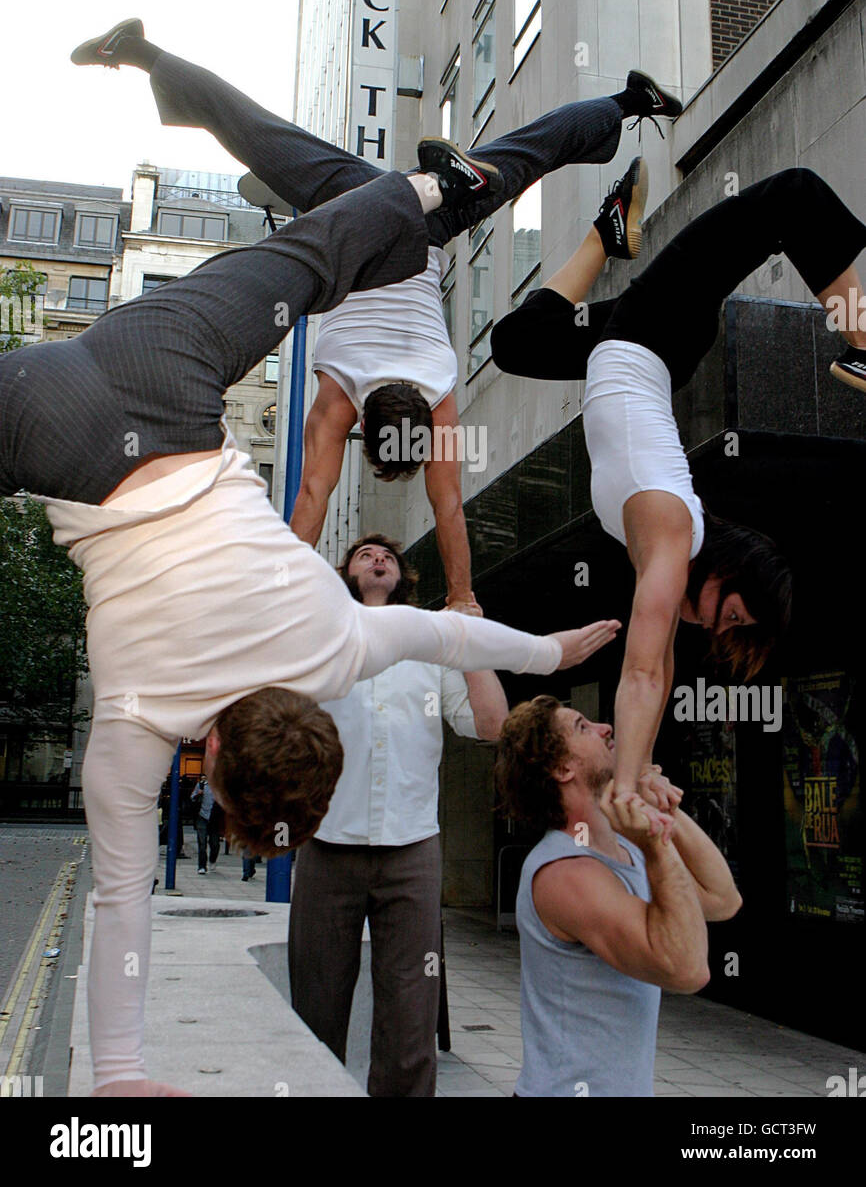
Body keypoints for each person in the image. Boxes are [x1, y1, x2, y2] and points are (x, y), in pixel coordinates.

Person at [0, 29, 620, 1097]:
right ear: (216, 760)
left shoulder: (332, 643)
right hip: (55, 428)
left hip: (173, 374)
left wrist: (550, 645)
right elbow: (119, 901)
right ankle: (432, 189)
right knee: (320, 246)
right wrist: (118, 1076)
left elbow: (443, 627)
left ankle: (438, 189)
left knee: (311, 253)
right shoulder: (139, 727)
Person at [70, 17, 681, 611]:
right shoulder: (340, 398)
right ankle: (146, 56)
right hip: (359, 216)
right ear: (367, 427)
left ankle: (626, 102)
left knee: (528, 155)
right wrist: (274, 589)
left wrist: (466, 596)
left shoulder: (440, 391)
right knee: (260, 134)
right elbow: (312, 495)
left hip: (425, 230)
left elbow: (448, 510)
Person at [491, 165, 866, 809]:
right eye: (736, 611)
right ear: (729, 566)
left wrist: (640, 771)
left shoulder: (659, 558)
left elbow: (656, 671)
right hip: (656, 330)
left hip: (633, 341)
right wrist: (629, 788)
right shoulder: (671, 531)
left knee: (517, 343)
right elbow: (639, 673)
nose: (714, 623)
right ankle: (862, 337)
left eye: (727, 629)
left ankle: (605, 234)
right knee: (793, 196)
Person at [289, 533, 511, 1097]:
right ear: (346, 574)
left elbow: (491, 725)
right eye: (364, 554)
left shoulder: (432, 644)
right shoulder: (325, 635)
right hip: (327, 844)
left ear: (404, 576)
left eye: (387, 555)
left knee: (412, 1017)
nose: (378, 558)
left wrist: (475, 639)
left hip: (412, 849)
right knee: (315, 1009)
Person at [495, 695, 742, 1096]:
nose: (605, 728)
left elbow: (722, 898)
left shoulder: (622, 851)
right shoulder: (566, 873)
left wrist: (665, 813)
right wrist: (658, 847)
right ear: (562, 769)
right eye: (582, 727)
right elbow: (687, 970)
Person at [191, 776, 221, 873]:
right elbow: (192, 798)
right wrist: (198, 794)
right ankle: (202, 866)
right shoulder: (201, 785)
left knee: (215, 843)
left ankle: (212, 859)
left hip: (215, 818)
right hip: (202, 816)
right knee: (202, 843)